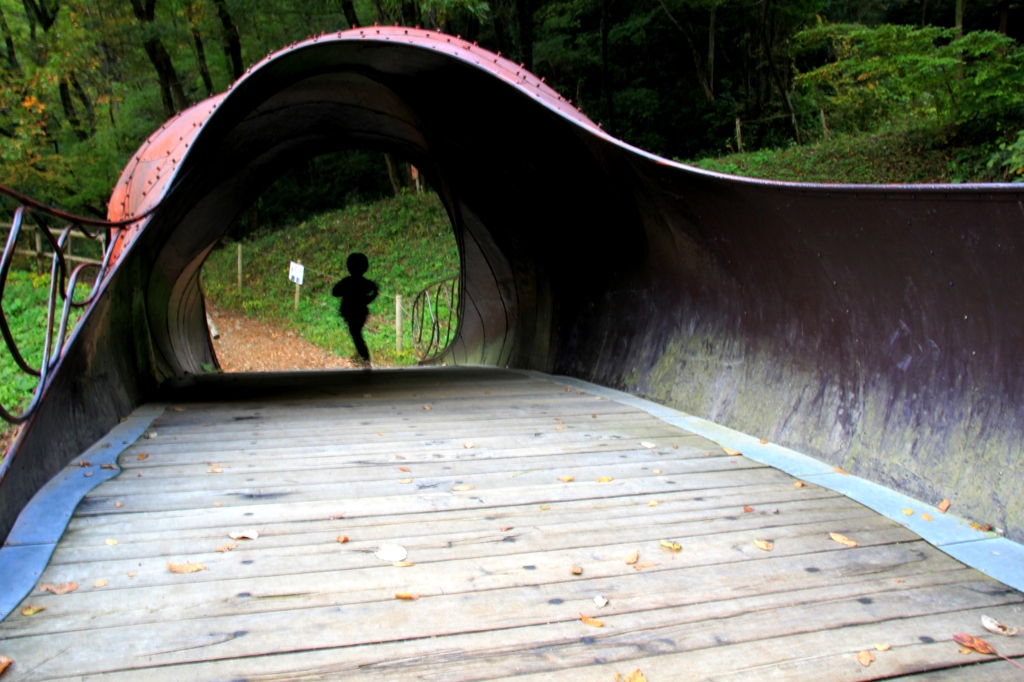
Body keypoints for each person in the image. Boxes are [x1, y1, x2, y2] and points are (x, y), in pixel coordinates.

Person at [332, 252, 378, 365]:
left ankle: (365, 358)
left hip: (351, 313)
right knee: (356, 335)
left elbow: (335, 292)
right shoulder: (365, 283)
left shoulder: (347, 282)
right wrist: (373, 294)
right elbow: (369, 295)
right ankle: (362, 357)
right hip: (361, 313)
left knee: (356, 336)